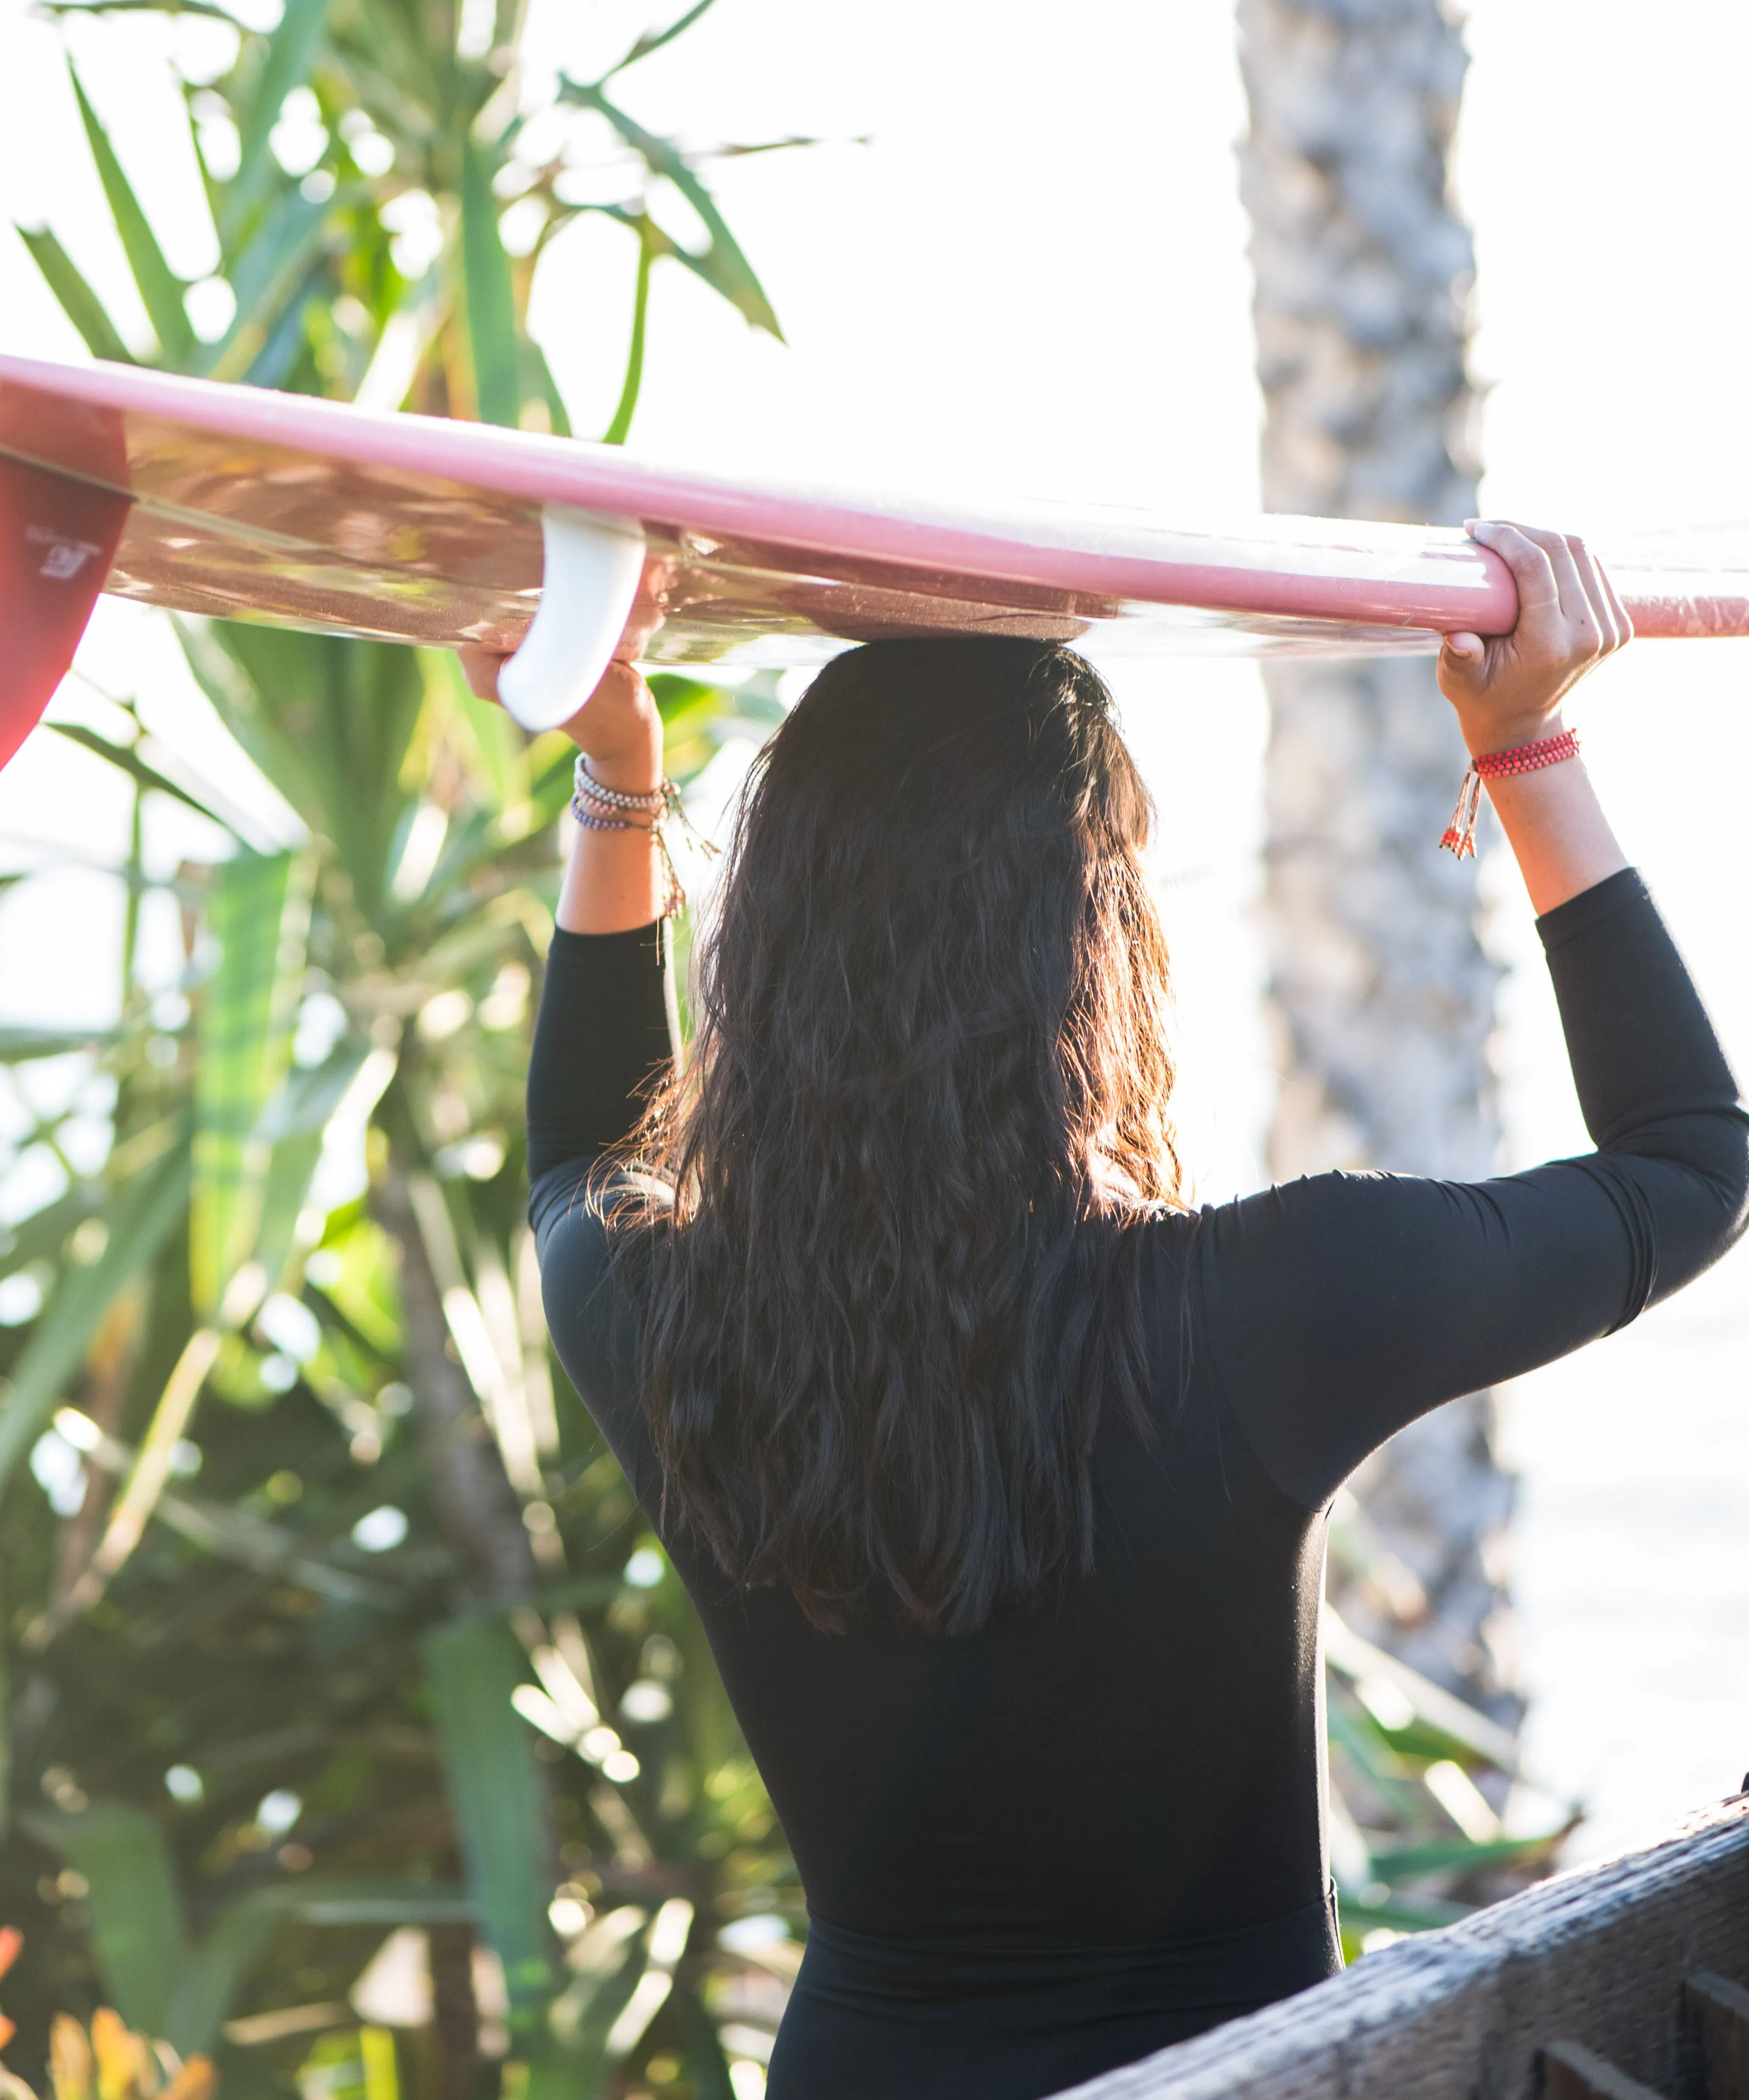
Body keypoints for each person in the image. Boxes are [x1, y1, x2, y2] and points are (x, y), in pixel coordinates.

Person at [462, 521, 1747, 2099]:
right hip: (1241, 2079)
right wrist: (1527, 744)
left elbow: (575, 1157)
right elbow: (1691, 1166)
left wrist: (620, 773)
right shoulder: (1273, 1304)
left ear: (778, 941)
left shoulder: (667, 1318)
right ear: (1099, 942)